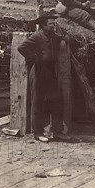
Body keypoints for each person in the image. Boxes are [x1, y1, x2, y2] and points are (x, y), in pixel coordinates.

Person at [17, 12, 64, 142]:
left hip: (51, 73)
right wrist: (34, 58)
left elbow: (62, 38)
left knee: (55, 101)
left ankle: (57, 132)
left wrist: (64, 39)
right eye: (51, 23)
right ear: (43, 25)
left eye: (54, 23)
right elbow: (22, 47)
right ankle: (38, 133)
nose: (53, 25)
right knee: (37, 103)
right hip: (38, 72)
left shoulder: (53, 36)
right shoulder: (37, 36)